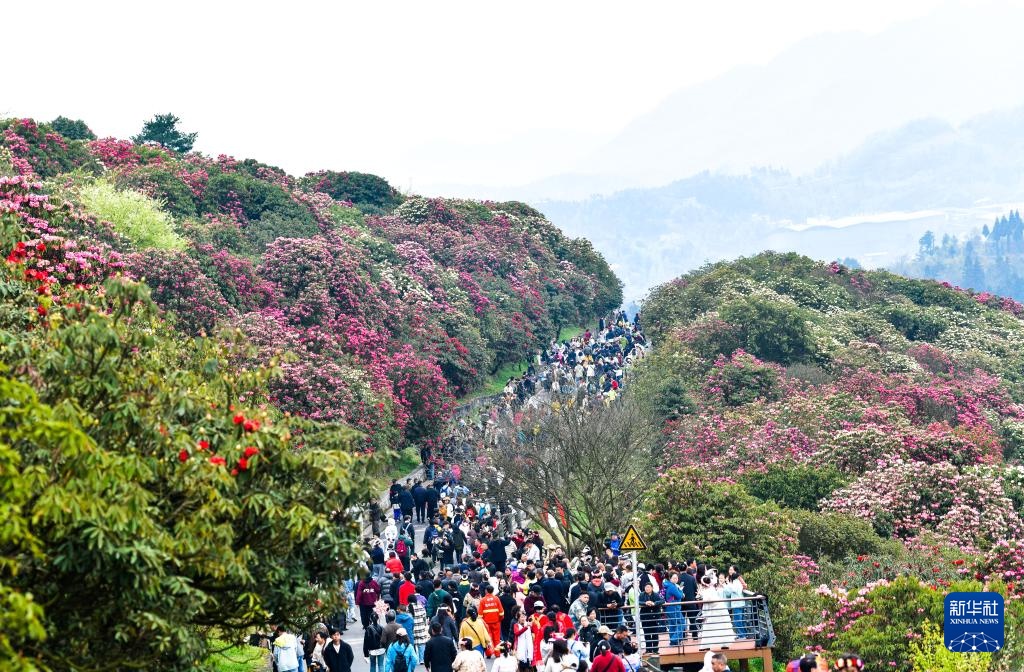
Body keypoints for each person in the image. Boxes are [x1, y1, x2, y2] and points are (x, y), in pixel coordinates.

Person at [697, 573, 735, 649]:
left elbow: (709, 600)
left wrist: (701, 596)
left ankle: (718, 644)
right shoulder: (711, 589)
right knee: (719, 626)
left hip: (715, 610)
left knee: (714, 626)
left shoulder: (709, 590)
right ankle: (722, 643)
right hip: (718, 609)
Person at [637, 583, 664, 653]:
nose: (647, 588)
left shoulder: (655, 594)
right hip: (645, 617)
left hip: (654, 617)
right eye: (646, 587)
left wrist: (654, 603)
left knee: (655, 633)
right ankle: (648, 649)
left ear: (652, 588)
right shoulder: (642, 594)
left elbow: (662, 600)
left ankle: (655, 649)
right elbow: (638, 602)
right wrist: (645, 603)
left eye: (649, 587)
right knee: (647, 634)